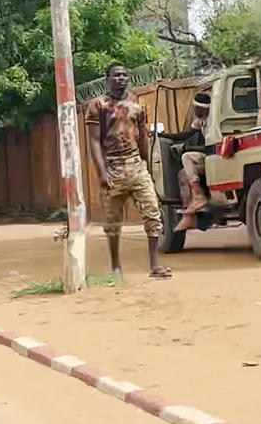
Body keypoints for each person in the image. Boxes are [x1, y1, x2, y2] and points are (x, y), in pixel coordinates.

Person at [86, 64, 169, 280]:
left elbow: (142, 136)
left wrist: (147, 164)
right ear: (107, 79)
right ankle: (116, 267)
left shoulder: (137, 106)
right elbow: (94, 142)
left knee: (152, 213)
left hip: (136, 167)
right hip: (112, 168)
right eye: (116, 75)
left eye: (124, 75)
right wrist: (102, 173)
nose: (121, 78)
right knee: (113, 222)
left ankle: (155, 265)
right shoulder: (99, 106)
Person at [158, 93, 211, 232]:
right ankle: (189, 211)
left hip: (215, 157)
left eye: (196, 108)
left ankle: (198, 197)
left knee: (187, 157)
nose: (194, 111)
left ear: (204, 108)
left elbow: (212, 147)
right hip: (208, 158)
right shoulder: (200, 121)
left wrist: (186, 148)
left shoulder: (212, 120)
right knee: (182, 174)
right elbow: (187, 134)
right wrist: (165, 135)